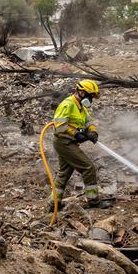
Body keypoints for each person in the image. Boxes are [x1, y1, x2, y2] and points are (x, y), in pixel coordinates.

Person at [48, 79, 111, 209]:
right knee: (88, 167)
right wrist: (76, 134)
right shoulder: (67, 104)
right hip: (64, 142)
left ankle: (53, 204)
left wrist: (93, 132)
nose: (91, 99)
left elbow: (89, 122)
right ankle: (93, 201)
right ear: (81, 92)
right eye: (90, 96)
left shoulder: (80, 106)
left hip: (69, 142)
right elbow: (59, 126)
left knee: (64, 173)